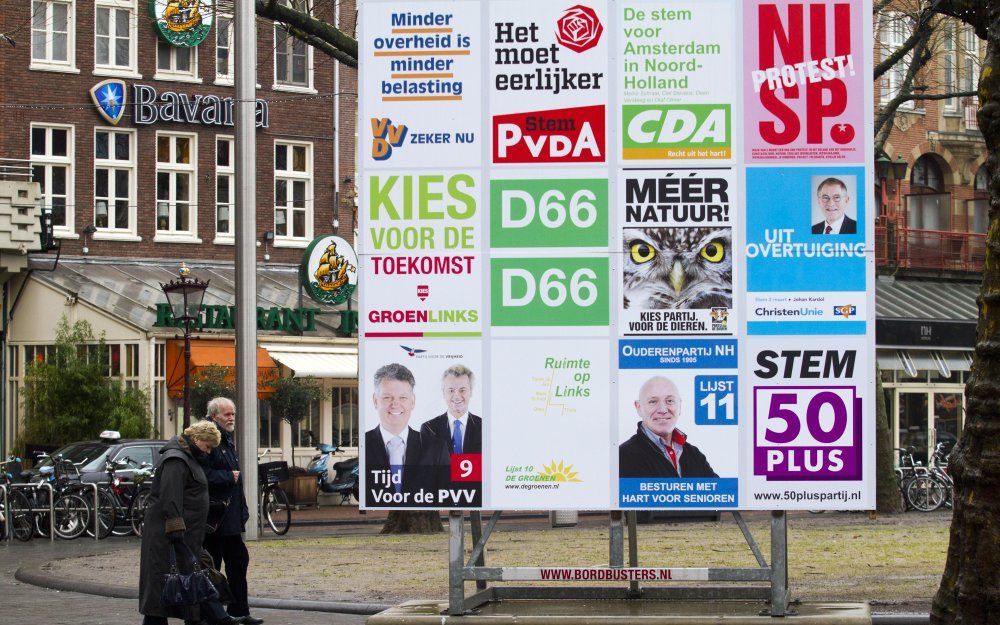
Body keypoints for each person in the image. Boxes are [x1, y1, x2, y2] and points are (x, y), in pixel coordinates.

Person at [139, 421, 235, 625]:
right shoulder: (176, 460)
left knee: (183, 586)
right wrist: (176, 531)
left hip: (184, 536)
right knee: (166, 590)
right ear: (198, 440)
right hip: (169, 539)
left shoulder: (187, 458)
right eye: (208, 447)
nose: (208, 452)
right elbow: (170, 497)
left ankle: (219, 618)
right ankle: (220, 619)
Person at [200, 398, 263, 625]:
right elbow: (201, 475)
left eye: (233, 414)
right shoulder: (209, 439)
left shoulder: (226, 439)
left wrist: (243, 510)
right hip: (215, 519)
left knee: (238, 561)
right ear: (214, 416)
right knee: (213, 565)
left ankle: (239, 611)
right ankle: (211, 615)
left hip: (230, 518)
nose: (231, 418)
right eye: (227, 414)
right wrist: (227, 477)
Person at [364, 363, 449, 506]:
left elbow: (446, 493)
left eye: (402, 397)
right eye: (387, 397)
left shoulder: (436, 447)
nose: (395, 404)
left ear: (413, 401)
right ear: (375, 401)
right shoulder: (363, 445)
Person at [619, 376, 717, 479]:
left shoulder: (694, 455)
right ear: (639, 408)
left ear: (680, 406)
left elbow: (719, 492)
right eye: (653, 401)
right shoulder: (624, 456)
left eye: (670, 401)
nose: (662, 409)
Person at [420, 365, 482, 505]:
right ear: (443, 393)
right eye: (451, 390)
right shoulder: (429, 429)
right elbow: (430, 473)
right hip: (441, 498)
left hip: (477, 497)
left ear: (471, 392)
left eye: (462, 390)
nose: (457, 396)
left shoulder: (484, 428)